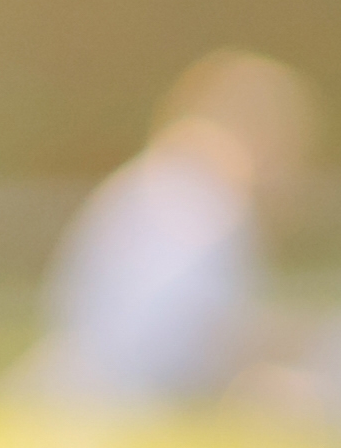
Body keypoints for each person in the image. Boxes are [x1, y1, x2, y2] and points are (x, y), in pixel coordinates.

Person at [16, 48, 315, 415]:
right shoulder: (206, 201)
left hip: (78, 382)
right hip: (136, 398)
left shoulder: (155, 182)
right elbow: (192, 332)